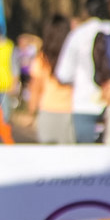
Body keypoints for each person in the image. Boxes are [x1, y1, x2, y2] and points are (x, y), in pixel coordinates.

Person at [55, 0, 110, 143]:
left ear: (86, 11)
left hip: (84, 104)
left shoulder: (77, 34)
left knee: (87, 158)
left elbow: (63, 74)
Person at [21, 14, 74, 144]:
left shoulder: (42, 58)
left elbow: (36, 88)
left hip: (47, 111)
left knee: (49, 158)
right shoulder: (73, 55)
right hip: (71, 112)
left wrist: (31, 113)